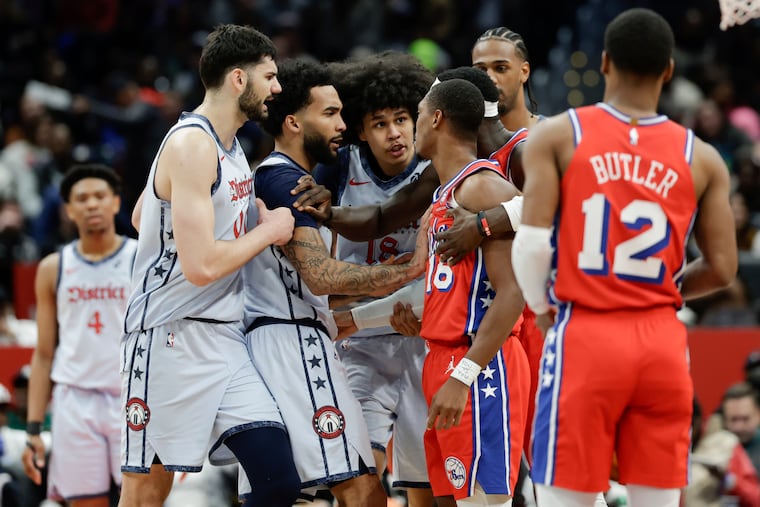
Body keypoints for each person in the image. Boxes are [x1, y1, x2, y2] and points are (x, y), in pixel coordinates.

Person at [512, 8, 738, 507]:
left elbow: (531, 245)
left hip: (586, 333)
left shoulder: (557, 134)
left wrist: (546, 313)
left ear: (605, 62)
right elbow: (723, 268)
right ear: (670, 70)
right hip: (661, 341)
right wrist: (659, 294)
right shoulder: (701, 156)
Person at [119, 24, 299, 507]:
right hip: (167, 336)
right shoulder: (191, 144)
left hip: (222, 337)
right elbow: (198, 267)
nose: (277, 88)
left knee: (277, 477)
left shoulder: (232, 144)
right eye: (270, 76)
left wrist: (238, 220)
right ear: (238, 79)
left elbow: (142, 215)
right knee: (145, 494)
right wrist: (270, 230)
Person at [238, 57, 427, 507]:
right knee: (360, 488)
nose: (342, 124)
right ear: (293, 122)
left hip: (310, 331)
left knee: (289, 490)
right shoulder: (285, 179)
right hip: (296, 339)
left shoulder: (291, 177)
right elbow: (321, 276)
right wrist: (411, 269)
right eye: (330, 114)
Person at [312, 51, 435, 507]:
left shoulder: (438, 171)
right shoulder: (339, 168)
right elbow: (319, 270)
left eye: (402, 119)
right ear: (360, 130)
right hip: (358, 342)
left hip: (426, 339)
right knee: (361, 479)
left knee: (427, 491)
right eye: (379, 123)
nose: (394, 133)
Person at [415, 77, 530, 507]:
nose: (415, 124)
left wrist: (463, 375)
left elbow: (513, 292)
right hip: (442, 359)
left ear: (437, 118)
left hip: (481, 367)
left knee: (484, 503)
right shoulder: (444, 193)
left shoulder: (482, 186)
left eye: (420, 114)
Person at [21, 164, 137, 507]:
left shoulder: (140, 259)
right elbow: (43, 354)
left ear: (115, 203)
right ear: (69, 210)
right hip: (75, 399)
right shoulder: (52, 268)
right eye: (82, 199)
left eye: (100, 196)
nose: (91, 205)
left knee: (143, 500)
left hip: (132, 397)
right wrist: (33, 429)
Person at [722, 383, 760, 475]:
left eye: (745, 419)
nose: (739, 427)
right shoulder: (715, 447)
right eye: (733, 419)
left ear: (758, 415)